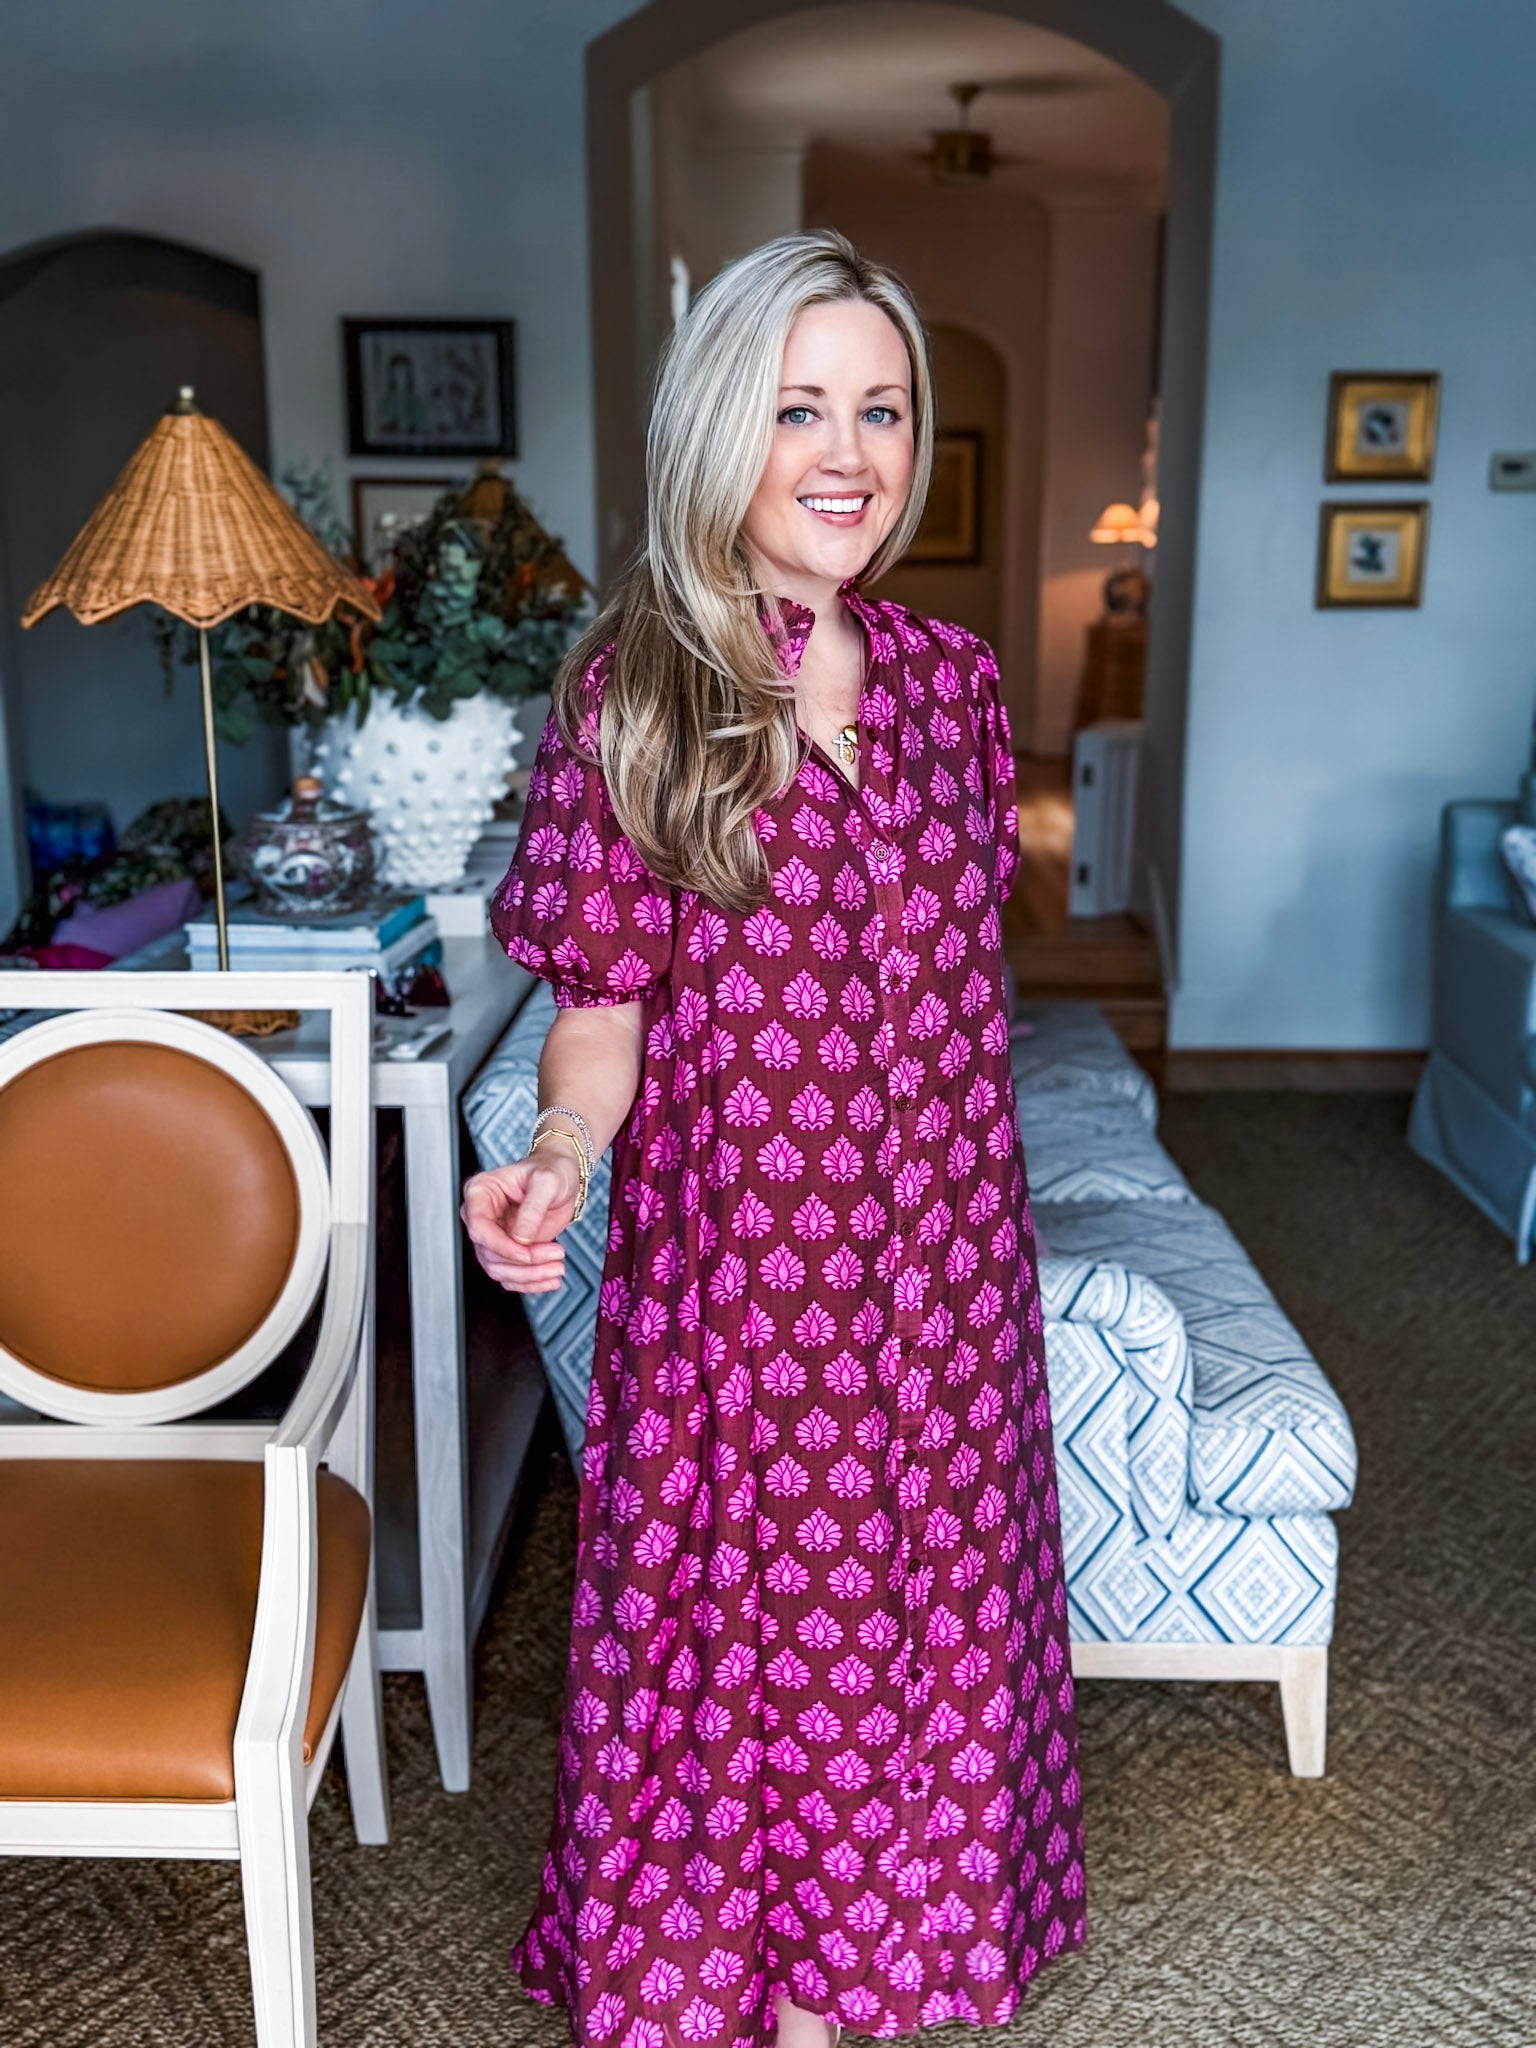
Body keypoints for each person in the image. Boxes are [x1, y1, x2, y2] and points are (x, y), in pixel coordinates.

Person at [462, 228, 1086, 2048]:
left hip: (951, 1274)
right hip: (752, 1286)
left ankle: (876, 1982)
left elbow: (953, 989)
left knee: (935, 1627)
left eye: (882, 409)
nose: (848, 452)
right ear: (720, 427)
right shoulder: (637, 693)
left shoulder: (954, 687)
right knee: (772, 1651)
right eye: (800, 406)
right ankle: (779, 2005)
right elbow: (600, 1016)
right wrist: (560, 1157)